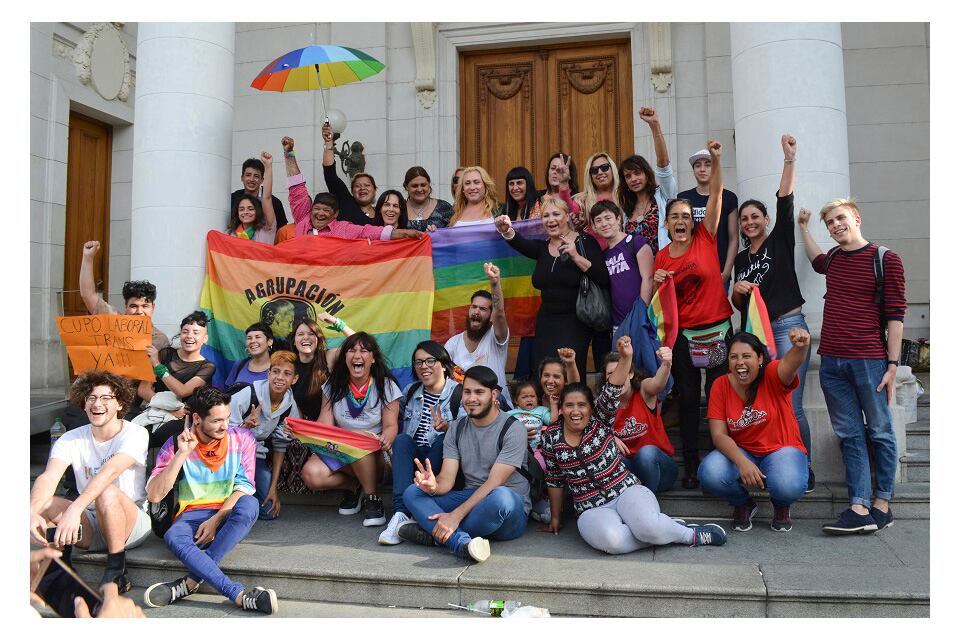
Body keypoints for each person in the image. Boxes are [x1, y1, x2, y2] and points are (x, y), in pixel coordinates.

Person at [538, 336, 726, 553]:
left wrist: (626, 356)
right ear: (561, 407)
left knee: (648, 527)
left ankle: (688, 534)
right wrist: (554, 517)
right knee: (613, 542)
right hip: (591, 508)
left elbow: (614, 386)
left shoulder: (600, 417)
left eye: (582, 405)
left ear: (592, 407)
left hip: (625, 491)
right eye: (569, 405)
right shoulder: (551, 436)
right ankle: (666, 529)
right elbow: (554, 479)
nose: (576, 411)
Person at [798, 199, 906, 535]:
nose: (835, 226)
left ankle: (882, 503)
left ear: (856, 218)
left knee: (881, 430)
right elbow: (817, 260)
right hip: (831, 362)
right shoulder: (833, 259)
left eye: (840, 219)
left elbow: (896, 317)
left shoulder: (885, 259)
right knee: (849, 434)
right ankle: (859, 505)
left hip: (870, 361)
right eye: (829, 223)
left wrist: (892, 365)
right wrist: (803, 228)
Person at [143, 387, 278, 614]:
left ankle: (191, 584)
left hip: (228, 512)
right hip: (191, 514)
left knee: (250, 504)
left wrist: (217, 519)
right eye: (217, 421)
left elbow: (244, 486)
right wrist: (182, 454)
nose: (225, 426)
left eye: (227, 418)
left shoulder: (242, 438)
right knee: (173, 536)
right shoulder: (176, 445)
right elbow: (154, 495)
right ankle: (239, 594)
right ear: (197, 418)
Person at [731, 134, 814, 491]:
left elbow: (785, 199)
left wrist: (789, 159)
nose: (749, 222)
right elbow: (741, 306)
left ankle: (804, 469)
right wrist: (736, 291)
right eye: (745, 219)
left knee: (791, 405)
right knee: (763, 403)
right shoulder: (740, 259)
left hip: (790, 327)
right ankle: (767, 462)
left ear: (765, 219)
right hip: (758, 336)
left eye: (755, 216)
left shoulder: (780, 239)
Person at [653, 139, 733, 490]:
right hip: (684, 338)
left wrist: (715, 160)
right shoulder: (661, 257)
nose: (682, 221)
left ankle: (725, 457)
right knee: (687, 399)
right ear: (667, 224)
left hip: (717, 331)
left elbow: (716, 195)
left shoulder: (706, 237)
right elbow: (659, 305)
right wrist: (657, 284)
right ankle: (690, 463)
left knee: (718, 396)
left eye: (686, 216)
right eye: (675, 218)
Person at [29, 371, 151, 592]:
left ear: (120, 404)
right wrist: (32, 512)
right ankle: (61, 568)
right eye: (91, 398)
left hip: (130, 521)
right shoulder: (70, 438)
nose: (97, 404)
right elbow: (48, 477)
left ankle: (117, 570)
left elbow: (109, 473)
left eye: (106, 398)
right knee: (46, 503)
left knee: (107, 491)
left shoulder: (136, 433)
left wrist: (75, 509)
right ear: (83, 404)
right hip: (92, 523)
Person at [398, 365, 530, 562]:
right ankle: (460, 543)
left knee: (500, 497)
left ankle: (435, 536)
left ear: (494, 394)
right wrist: (433, 486)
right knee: (412, 492)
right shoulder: (457, 428)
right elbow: (447, 480)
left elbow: (494, 483)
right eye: (467, 392)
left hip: (507, 508)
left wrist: (455, 516)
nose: (471, 398)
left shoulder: (513, 429)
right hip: (471, 497)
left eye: (479, 392)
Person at [699, 331, 811, 532]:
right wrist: (742, 463)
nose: (739, 362)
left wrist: (800, 347)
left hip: (781, 449)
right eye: (734, 357)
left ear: (760, 358)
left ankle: (781, 504)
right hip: (743, 451)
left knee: (787, 484)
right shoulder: (720, 385)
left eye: (746, 356)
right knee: (710, 472)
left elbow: (791, 364)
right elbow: (719, 435)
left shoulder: (772, 374)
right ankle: (743, 503)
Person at [496, 194, 611, 379]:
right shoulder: (542, 248)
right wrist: (506, 230)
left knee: (568, 373)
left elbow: (602, 277)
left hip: (576, 322)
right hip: (546, 322)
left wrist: (575, 256)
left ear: (566, 216)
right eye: (546, 216)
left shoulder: (584, 242)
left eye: (556, 214)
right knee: (545, 372)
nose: (551, 220)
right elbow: (521, 243)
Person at [301, 332, 401, 528]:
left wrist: (386, 438)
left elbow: (391, 425)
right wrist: (303, 433)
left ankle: (372, 498)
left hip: (376, 453)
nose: (357, 355)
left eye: (364, 351)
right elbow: (325, 424)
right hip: (340, 447)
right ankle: (355, 486)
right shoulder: (333, 385)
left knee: (358, 444)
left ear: (373, 358)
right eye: (351, 350)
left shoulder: (386, 385)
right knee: (311, 474)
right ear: (344, 357)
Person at [379, 341, 461, 545]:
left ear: (443, 364)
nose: (424, 366)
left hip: (444, 462)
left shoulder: (459, 393)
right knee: (402, 440)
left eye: (430, 361)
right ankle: (399, 514)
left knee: (443, 440)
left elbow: (469, 433)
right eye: (418, 362)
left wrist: (448, 428)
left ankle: (415, 509)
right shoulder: (411, 390)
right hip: (416, 455)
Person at [279, 134, 421, 241]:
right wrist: (289, 154)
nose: (320, 213)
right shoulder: (304, 218)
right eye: (316, 209)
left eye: (326, 210)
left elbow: (370, 232)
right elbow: (297, 190)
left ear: (335, 214)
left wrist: (405, 233)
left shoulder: (343, 228)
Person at [227, 350, 300, 521]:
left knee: (268, 511)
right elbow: (220, 432)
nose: (280, 377)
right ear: (268, 373)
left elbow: (280, 445)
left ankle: (241, 499)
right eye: (275, 371)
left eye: (287, 373)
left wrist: (273, 487)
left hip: (253, 455)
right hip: (228, 454)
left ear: (294, 379)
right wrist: (245, 427)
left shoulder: (290, 407)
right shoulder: (248, 393)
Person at [606, 347, 677, 494]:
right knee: (610, 455)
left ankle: (647, 500)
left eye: (621, 371)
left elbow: (657, 384)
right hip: (631, 472)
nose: (617, 377)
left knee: (646, 453)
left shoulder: (644, 391)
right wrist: (608, 437)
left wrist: (666, 364)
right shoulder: (604, 404)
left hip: (660, 469)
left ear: (631, 373)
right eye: (611, 374)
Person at [79, 240, 168, 351]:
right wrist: (88, 257)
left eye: (145, 306)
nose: (139, 311)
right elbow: (88, 294)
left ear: (152, 308)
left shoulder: (160, 340)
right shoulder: (113, 320)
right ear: (126, 306)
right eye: (134, 306)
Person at [443, 262, 511, 406]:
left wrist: (494, 283)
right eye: (474, 307)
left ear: (490, 315)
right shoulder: (452, 343)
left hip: (496, 406)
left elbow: (499, 313)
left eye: (483, 309)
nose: (476, 312)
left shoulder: (496, 337)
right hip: (463, 408)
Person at [619, 107, 678, 254]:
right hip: (638, 274)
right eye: (628, 176)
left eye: (637, 173)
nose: (633, 179)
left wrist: (654, 125)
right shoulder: (626, 210)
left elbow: (664, 165)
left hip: (664, 270)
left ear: (647, 174)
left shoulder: (663, 196)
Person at [589, 200, 655, 330]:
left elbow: (649, 278)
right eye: (598, 220)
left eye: (608, 218)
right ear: (594, 227)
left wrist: (640, 314)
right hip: (618, 324)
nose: (604, 224)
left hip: (641, 320)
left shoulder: (636, 242)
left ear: (618, 219)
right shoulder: (603, 256)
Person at [677, 149, 739, 283]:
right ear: (693, 170)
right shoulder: (683, 198)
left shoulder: (729, 197)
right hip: (690, 272)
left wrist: (727, 272)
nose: (702, 169)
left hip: (719, 272)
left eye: (708, 164)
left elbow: (734, 238)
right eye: (698, 165)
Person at [141, 310, 215, 407]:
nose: (189, 336)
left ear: (205, 339)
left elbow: (182, 391)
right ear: (180, 335)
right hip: (157, 410)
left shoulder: (207, 367)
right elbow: (143, 390)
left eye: (195, 333)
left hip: (183, 417)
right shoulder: (165, 353)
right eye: (185, 332)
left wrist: (157, 365)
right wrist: (169, 408)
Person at [506, 379, 555, 522]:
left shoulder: (541, 411)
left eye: (532, 396)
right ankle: (526, 502)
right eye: (524, 397)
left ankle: (543, 498)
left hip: (536, 450)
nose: (529, 399)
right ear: (516, 400)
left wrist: (552, 404)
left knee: (543, 468)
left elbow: (552, 421)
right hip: (516, 449)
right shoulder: (511, 413)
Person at [321, 122, 377, 224]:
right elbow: (330, 174)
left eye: (367, 185)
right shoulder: (346, 203)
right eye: (357, 186)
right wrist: (328, 142)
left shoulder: (383, 214)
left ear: (375, 189)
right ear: (352, 191)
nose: (362, 188)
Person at [227, 152, 278, 244]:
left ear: (258, 211)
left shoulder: (266, 230)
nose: (246, 212)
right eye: (241, 209)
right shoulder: (231, 235)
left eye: (250, 208)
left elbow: (267, 197)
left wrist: (268, 166)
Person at [231, 156, 289, 229]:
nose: (251, 179)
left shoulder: (274, 202)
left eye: (256, 176)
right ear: (242, 178)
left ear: (262, 180)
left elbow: (283, 231)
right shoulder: (233, 198)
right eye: (248, 175)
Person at [574, 152, 619, 233]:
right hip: (592, 245)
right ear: (590, 176)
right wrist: (564, 185)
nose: (600, 172)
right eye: (594, 170)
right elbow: (568, 213)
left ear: (612, 169)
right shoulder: (582, 200)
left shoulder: (624, 195)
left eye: (604, 167)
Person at [223, 323, 274, 387]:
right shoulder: (239, 365)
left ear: (269, 341)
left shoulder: (277, 368)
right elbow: (228, 392)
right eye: (249, 338)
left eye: (257, 337)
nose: (253, 341)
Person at [403, 166, 453, 231]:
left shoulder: (445, 208)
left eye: (423, 185)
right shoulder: (398, 210)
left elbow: (454, 235)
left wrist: (438, 235)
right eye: (414, 186)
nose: (419, 189)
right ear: (406, 187)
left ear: (429, 185)